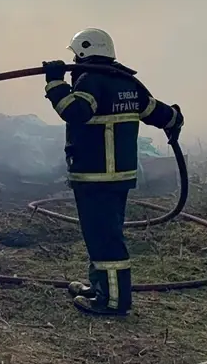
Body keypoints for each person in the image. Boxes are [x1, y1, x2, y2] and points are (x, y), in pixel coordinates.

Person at [43, 27, 183, 317]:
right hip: (119, 177)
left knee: (105, 239)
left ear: (83, 52)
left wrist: (55, 83)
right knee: (102, 235)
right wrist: (175, 119)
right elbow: (159, 113)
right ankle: (100, 287)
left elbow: (75, 111)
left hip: (96, 176)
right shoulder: (128, 82)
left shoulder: (91, 81)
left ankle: (114, 302)